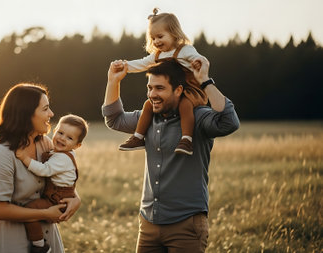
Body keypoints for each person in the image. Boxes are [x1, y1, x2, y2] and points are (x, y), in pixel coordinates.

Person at [102, 58, 239, 252]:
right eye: (149, 88)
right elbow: (114, 119)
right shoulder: (147, 117)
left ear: (178, 90)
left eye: (159, 88)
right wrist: (113, 81)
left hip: (186, 225)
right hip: (148, 223)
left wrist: (205, 81)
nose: (152, 95)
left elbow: (229, 122)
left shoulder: (199, 117)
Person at [0, 83, 81, 253]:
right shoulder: (2, 154)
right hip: (13, 241)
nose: (51, 114)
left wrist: (76, 200)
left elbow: (61, 177)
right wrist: (45, 214)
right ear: (26, 114)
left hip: (48, 237)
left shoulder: (46, 144)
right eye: (45, 109)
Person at [114, 8, 208, 155]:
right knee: (148, 104)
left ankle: (186, 140)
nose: (156, 41)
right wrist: (125, 66)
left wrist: (199, 62)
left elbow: (200, 59)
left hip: (189, 90)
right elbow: (142, 63)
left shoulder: (184, 50)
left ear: (174, 34)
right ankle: (138, 137)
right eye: (153, 38)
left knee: (185, 104)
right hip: (168, 95)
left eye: (160, 36)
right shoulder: (157, 55)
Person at [16, 114, 88, 253]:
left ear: (77, 145)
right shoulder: (61, 152)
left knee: (31, 211)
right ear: (54, 131)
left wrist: (25, 159)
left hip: (56, 199)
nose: (62, 138)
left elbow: (44, 170)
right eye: (60, 133)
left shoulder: (62, 158)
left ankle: (39, 246)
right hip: (59, 194)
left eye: (69, 138)